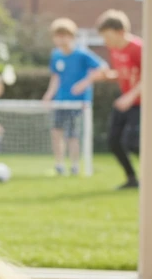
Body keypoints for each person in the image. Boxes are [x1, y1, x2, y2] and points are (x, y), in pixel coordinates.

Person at [42, 18, 105, 176]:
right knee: (56, 132)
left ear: (71, 36)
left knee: (73, 135)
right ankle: (59, 165)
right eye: (57, 36)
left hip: (78, 103)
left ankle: (75, 165)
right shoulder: (56, 55)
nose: (60, 39)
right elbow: (56, 76)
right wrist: (49, 94)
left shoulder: (81, 54)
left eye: (63, 35)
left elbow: (102, 68)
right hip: (60, 102)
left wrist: (84, 83)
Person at [96, 10, 143, 190]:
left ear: (120, 32)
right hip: (125, 101)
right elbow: (124, 74)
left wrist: (131, 96)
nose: (105, 41)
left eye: (107, 36)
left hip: (140, 103)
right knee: (114, 142)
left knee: (133, 143)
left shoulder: (139, 48)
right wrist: (107, 76)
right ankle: (132, 179)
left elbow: (150, 76)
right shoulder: (114, 50)